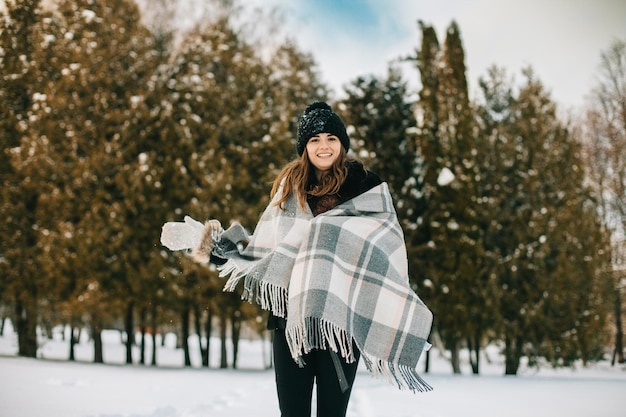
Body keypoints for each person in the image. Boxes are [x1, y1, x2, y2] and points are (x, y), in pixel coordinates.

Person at [161, 101, 433, 417]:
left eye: (331, 138)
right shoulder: (289, 191)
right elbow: (263, 252)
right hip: (289, 322)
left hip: (340, 325)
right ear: (305, 147)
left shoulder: (366, 188)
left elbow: (386, 247)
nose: (323, 146)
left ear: (342, 144)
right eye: (315, 139)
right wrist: (209, 244)